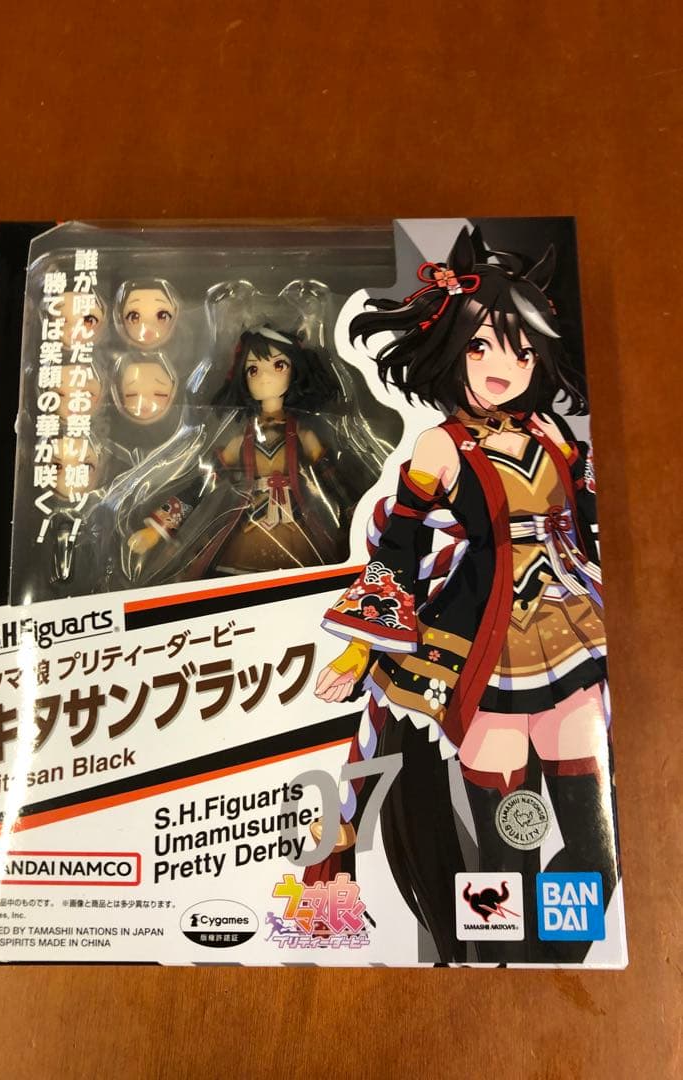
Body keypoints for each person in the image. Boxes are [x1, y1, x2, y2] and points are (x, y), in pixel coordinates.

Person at [309, 226, 617, 963]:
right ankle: (498, 965)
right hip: (482, 647)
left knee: (594, 843)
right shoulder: (441, 446)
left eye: (521, 350)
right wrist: (360, 651)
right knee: (507, 849)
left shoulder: (552, 434)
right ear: (451, 349)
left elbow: (591, 517)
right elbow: (399, 550)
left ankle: (555, 961)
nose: (502, 367)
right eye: (481, 347)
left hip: (575, 633)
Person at [124, 326, 352, 581]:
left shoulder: (303, 436)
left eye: (278, 365)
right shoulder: (241, 441)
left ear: (296, 370)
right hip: (250, 529)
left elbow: (335, 482)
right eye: (253, 369)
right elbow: (203, 484)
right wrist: (159, 528)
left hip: (296, 530)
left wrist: (358, 513)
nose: (264, 377)